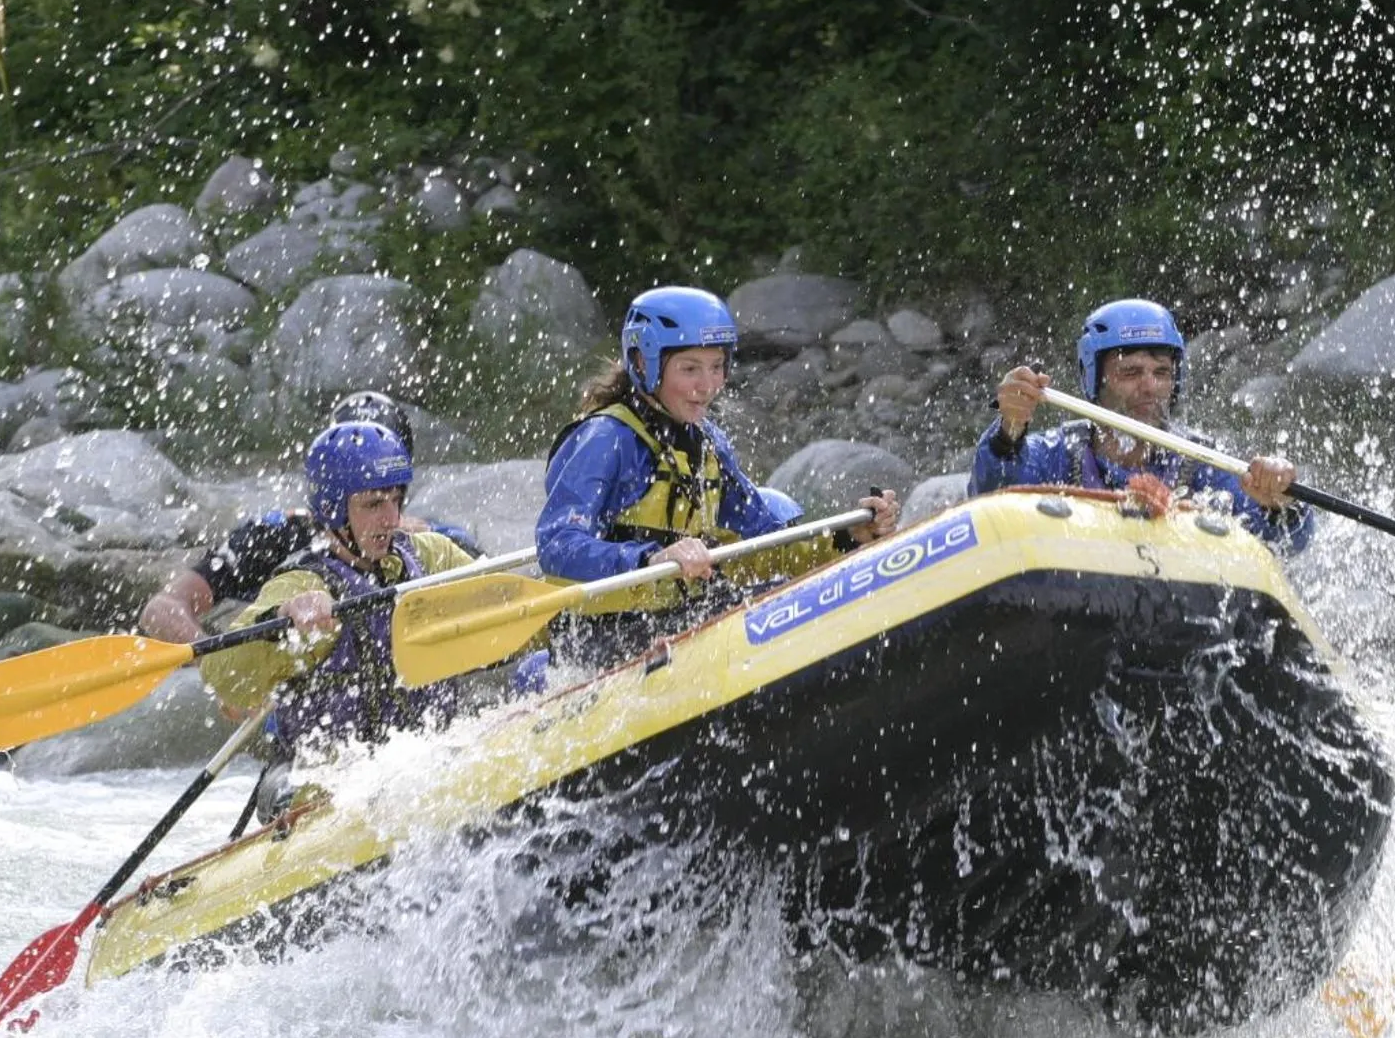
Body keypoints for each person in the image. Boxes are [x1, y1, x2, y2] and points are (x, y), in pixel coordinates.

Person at [535, 285, 899, 665]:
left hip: (675, 616)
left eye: (717, 366)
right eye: (690, 368)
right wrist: (649, 560)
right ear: (644, 364)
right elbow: (557, 544)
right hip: (602, 635)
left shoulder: (708, 443)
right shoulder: (605, 439)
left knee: (791, 596)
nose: (707, 386)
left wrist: (846, 539)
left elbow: (765, 537)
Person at [200, 420, 481, 774]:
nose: (391, 518)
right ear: (334, 509)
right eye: (373, 504)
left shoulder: (431, 556)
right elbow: (219, 675)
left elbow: (506, 603)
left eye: (396, 499)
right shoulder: (303, 582)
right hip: (328, 778)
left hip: (424, 762)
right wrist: (283, 619)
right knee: (283, 788)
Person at [137, 389, 481, 649]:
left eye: (391, 492)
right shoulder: (275, 536)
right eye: (369, 496)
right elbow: (162, 608)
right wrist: (215, 663)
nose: (387, 515)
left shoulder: (435, 543)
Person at [970, 298, 1314, 553]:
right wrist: (1009, 430)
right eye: (1131, 372)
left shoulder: (1202, 463)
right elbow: (992, 494)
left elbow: (1287, 543)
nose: (1150, 387)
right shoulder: (1057, 454)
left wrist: (1279, 501)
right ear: (1096, 380)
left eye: (1161, 373)